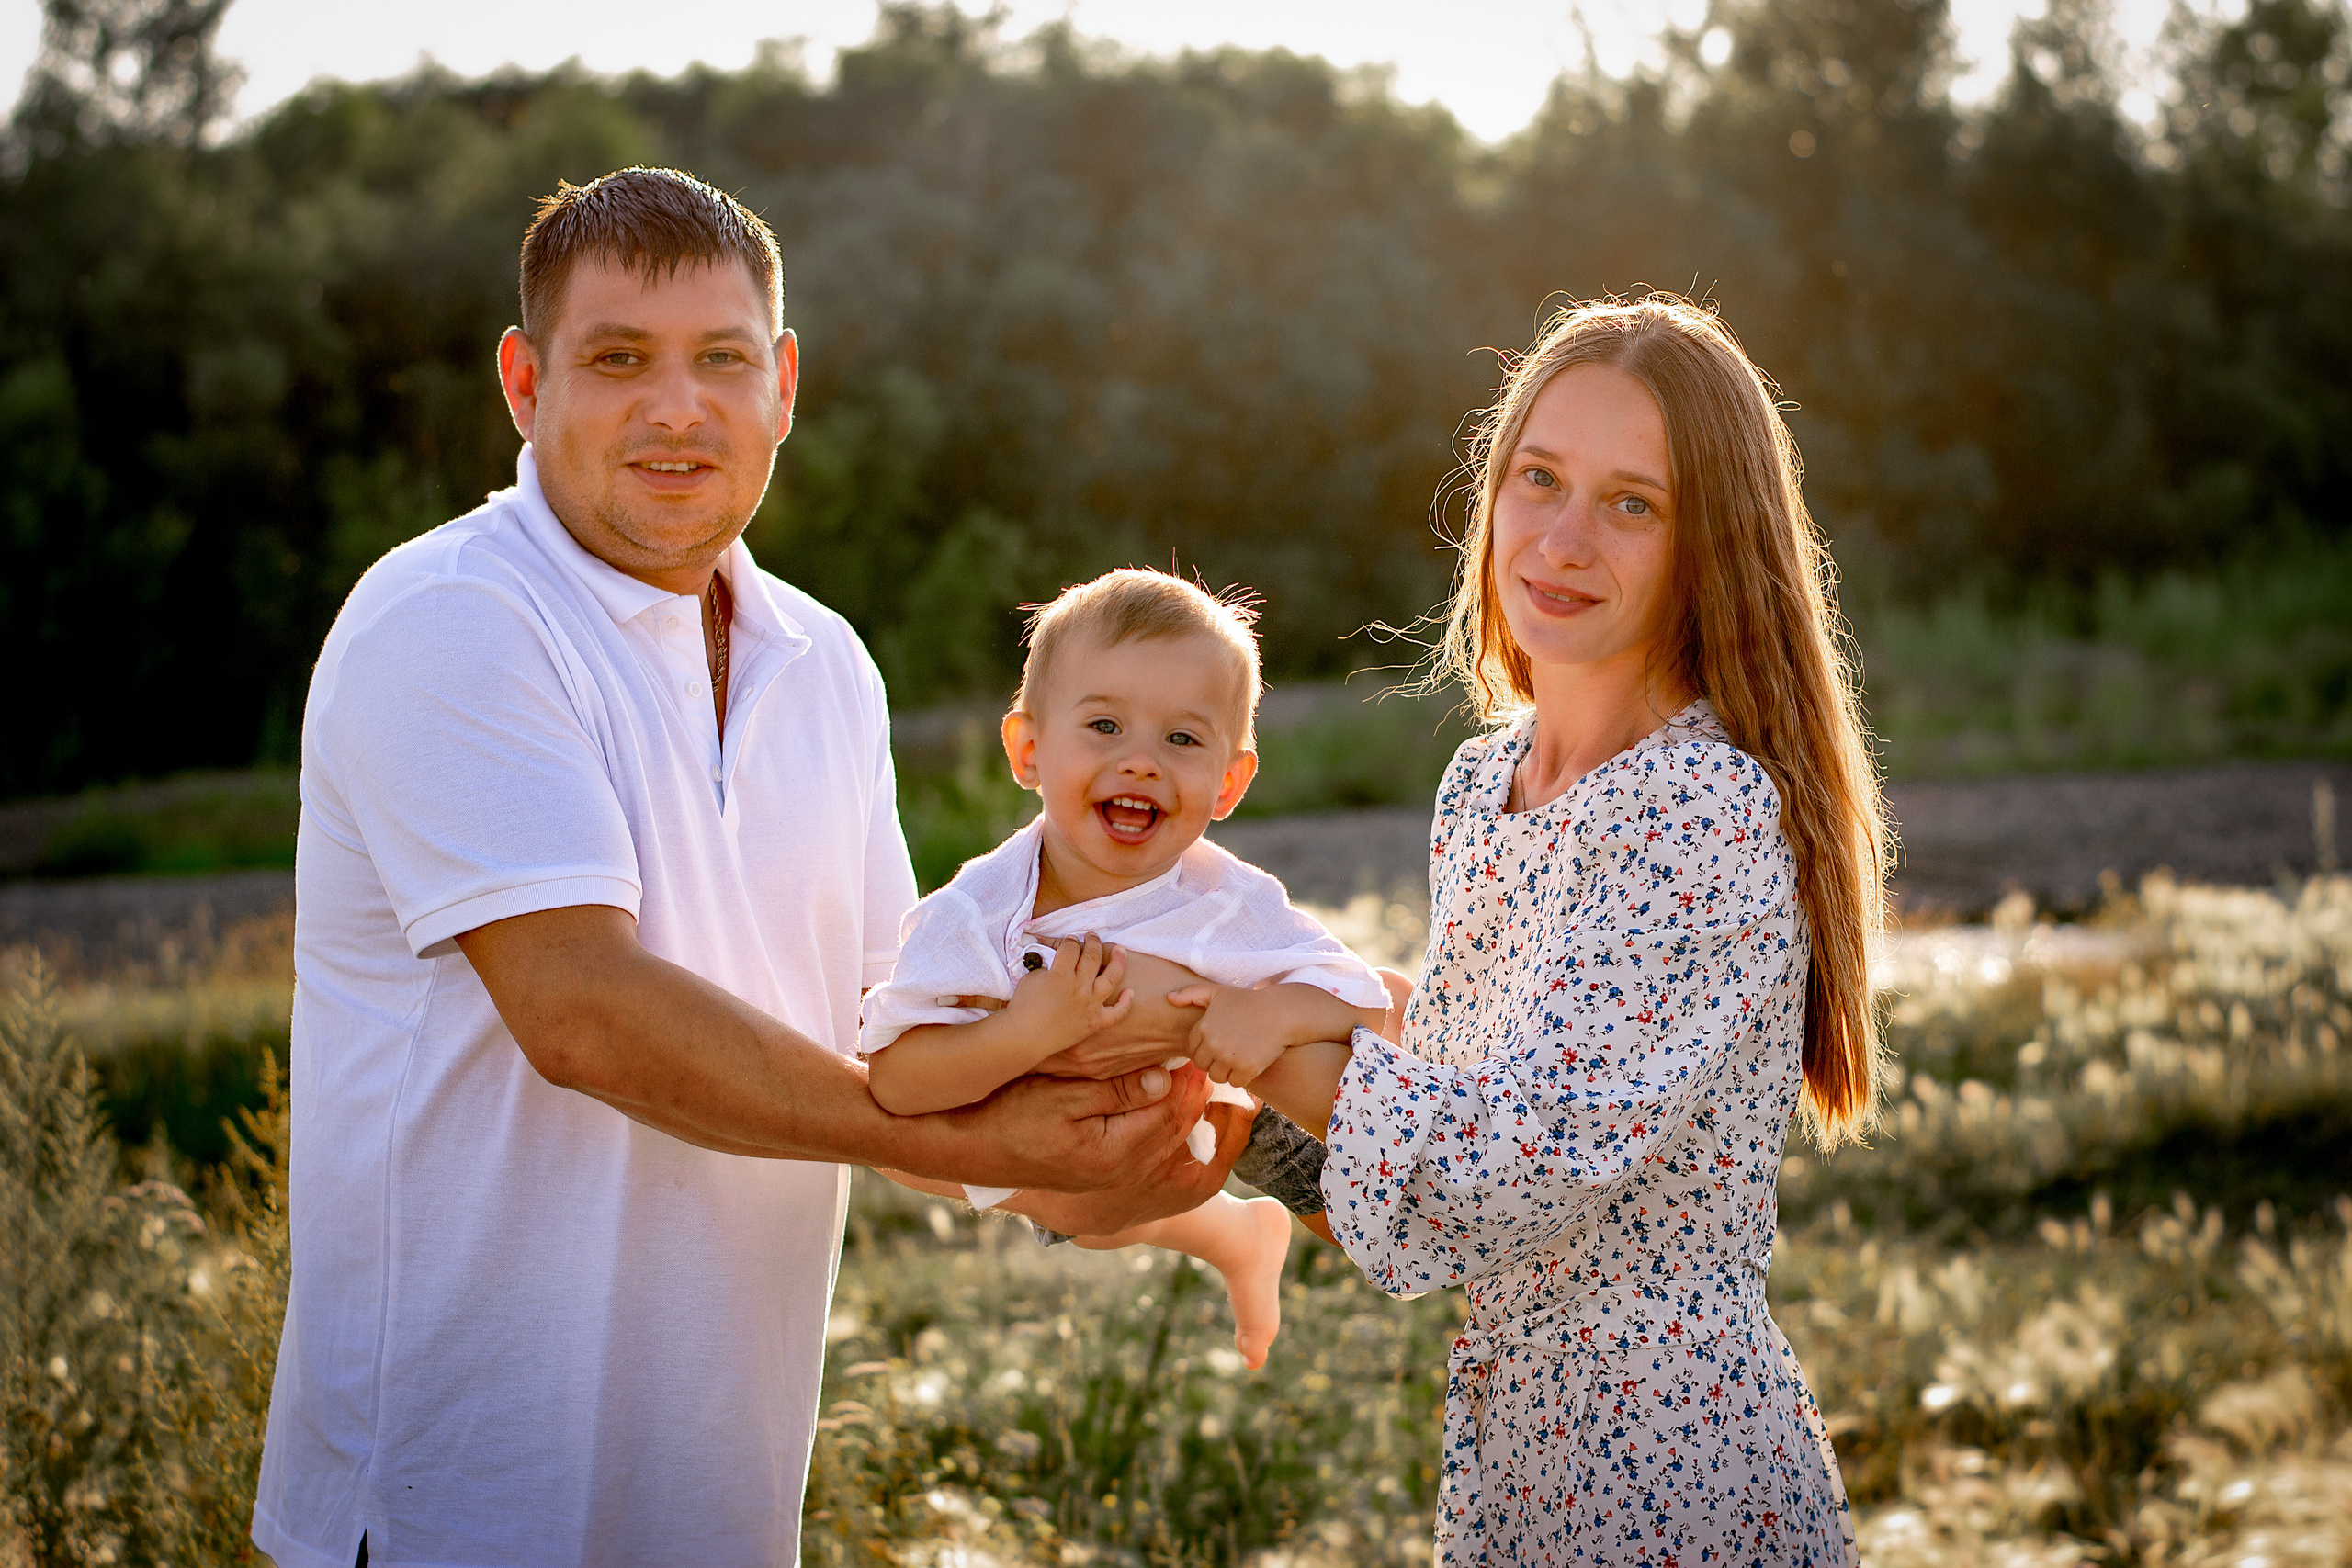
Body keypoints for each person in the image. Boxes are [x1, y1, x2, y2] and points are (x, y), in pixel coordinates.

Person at [252, 167, 1243, 1568]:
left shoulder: (825, 661)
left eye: (721, 358)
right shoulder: (452, 618)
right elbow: (582, 1011)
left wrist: (1122, 1147)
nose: (678, 406)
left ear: (781, 381)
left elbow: (905, 1027)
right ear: (525, 383)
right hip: (450, 1501)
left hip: (719, 1492)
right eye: (617, 361)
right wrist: (952, 1137)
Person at [1197, 295, 1883, 1564]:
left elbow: (1513, 1161)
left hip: (1666, 1461)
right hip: (1519, 1447)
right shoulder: (1488, 782)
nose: (1563, 539)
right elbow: (1460, 1092)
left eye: (1634, 503)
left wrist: (1256, 1045)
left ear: (1709, 542)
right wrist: (1242, 1080)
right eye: (1540, 479)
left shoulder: (1698, 803)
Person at [859, 569, 1407, 1368]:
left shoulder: (1226, 900)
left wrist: (1273, 1015)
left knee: (1380, 1216)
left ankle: (1475, 1237)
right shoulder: (978, 916)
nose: (1142, 761)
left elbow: (1357, 1003)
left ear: (1228, 782)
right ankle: (1233, 1233)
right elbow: (897, 1081)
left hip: (1238, 1094)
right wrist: (1026, 1031)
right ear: (1029, 750)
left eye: (1181, 739)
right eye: (1105, 726)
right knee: (1074, 1205)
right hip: (1063, 1127)